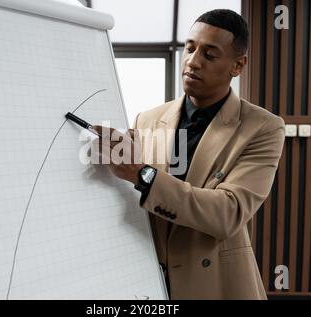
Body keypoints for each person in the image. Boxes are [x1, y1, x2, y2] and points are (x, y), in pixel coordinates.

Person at [92, 9, 285, 300]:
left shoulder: (264, 128)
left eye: (209, 54)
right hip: (147, 280)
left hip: (216, 284)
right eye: (190, 48)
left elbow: (227, 214)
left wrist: (141, 173)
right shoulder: (146, 119)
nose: (192, 62)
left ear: (238, 65)